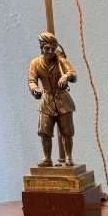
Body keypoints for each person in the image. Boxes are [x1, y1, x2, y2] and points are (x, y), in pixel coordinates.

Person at [28, 32, 77, 167]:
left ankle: (68, 157)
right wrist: (34, 89)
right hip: (46, 101)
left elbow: (73, 74)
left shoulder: (61, 61)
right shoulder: (35, 63)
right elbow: (32, 80)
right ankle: (47, 158)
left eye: (52, 49)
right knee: (44, 131)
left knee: (66, 131)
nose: (50, 51)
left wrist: (66, 77)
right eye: (46, 48)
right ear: (42, 47)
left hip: (63, 100)